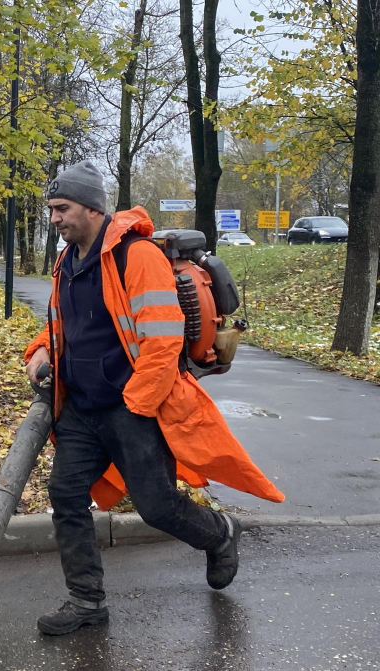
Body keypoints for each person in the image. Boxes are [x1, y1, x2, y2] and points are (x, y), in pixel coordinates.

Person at [24, 161, 284, 636]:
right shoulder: (68, 260)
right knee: (65, 496)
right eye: (52, 210)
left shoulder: (136, 256)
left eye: (62, 209)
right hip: (81, 407)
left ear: (92, 207)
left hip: (133, 405)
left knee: (158, 506)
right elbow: (63, 322)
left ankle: (220, 533)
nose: (56, 219)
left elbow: (163, 342)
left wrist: (136, 406)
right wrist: (40, 348)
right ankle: (86, 601)